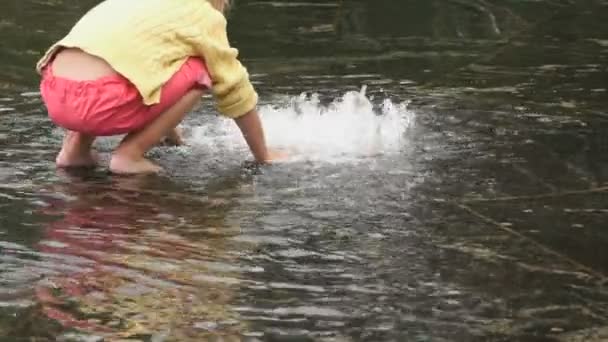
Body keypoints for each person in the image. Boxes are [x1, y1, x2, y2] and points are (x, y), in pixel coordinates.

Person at [36, 0, 285, 174]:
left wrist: (172, 135)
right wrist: (263, 155)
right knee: (202, 68)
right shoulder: (200, 13)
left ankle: (74, 151)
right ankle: (130, 155)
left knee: (113, 58)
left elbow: (149, 70)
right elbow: (234, 86)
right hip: (104, 101)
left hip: (57, 93)